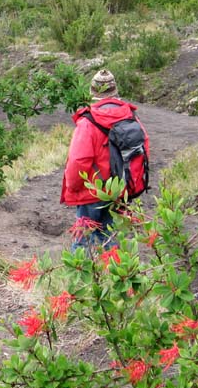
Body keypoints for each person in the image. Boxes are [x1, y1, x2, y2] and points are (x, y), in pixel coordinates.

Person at [61, 69, 149, 251]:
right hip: (119, 191)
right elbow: (142, 151)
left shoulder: (87, 123)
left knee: (83, 239)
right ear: (114, 91)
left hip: (92, 192)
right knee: (111, 237)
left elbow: (78, 160)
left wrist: (73, 186)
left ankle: (82, 277)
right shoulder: (131, 117)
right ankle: (112, 275)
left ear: (93, 93)